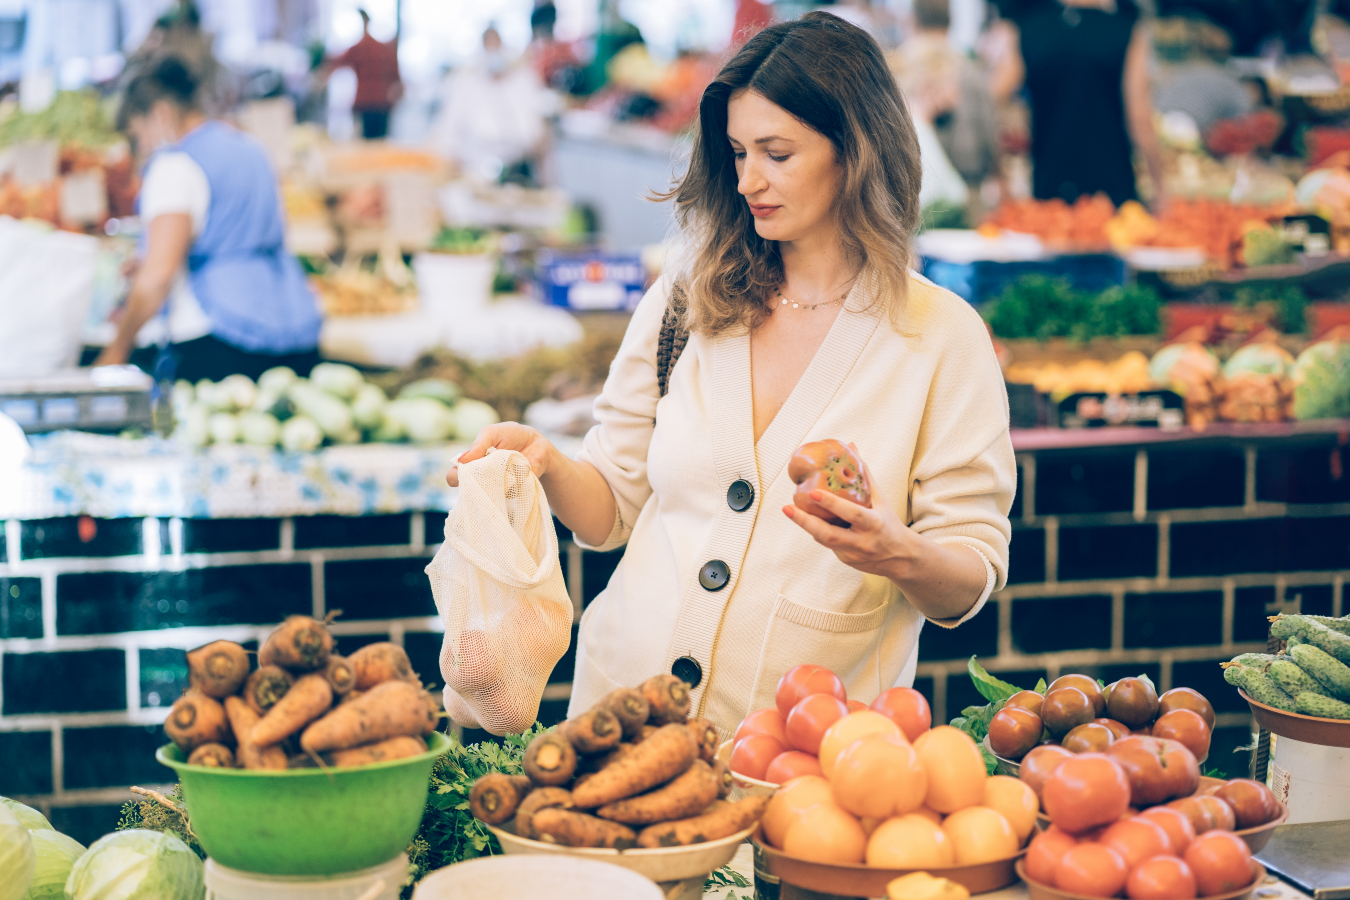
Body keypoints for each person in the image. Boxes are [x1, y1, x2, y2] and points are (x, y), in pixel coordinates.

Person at [446, 13, 1014, 735]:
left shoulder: (939, 338)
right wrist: (549, 463)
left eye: (777, 153)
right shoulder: (690, 297)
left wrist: (894, 551)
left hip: (802, 758)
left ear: (856, 151)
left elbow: (967, 580)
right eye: (738, 151)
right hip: (618, 721)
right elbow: (611, 513)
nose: (749, 180)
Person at [95, 58, 321, 382]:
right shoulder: (250, 147)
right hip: (296, 327)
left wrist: (115, 352)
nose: (142, 147)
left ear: (160, 114)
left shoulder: (174, 165)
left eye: (139, 135)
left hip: (221, 342)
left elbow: (157, 276)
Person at [996, 0, 1166, 207]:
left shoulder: (1027, 27)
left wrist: (998, 175)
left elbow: (992, 100)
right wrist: (1161, 186)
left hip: (1049, 191)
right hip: (1111, 193)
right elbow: (1139, 119)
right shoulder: (1126, 29)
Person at [892, 0, 1000, 193]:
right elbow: (988, 129)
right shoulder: (970, 68)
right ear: (951, 20)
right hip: (969, 184)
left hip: (914, 189)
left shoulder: (900, 66)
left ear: (914, 20)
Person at [430, 28, 556, 184]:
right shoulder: (465, 84)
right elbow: (445, 136)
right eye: (489, 45)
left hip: (518, 174)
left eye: (497, 44)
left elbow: (540, 137)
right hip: (474, 176)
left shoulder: (524, 81)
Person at [324, 9, 401, 139]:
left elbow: (337, 62)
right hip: (382, 103)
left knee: (365, 145)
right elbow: (397, 79)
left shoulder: (360, 47)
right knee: (381, 144)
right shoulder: (385, 49)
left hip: (364, 102)